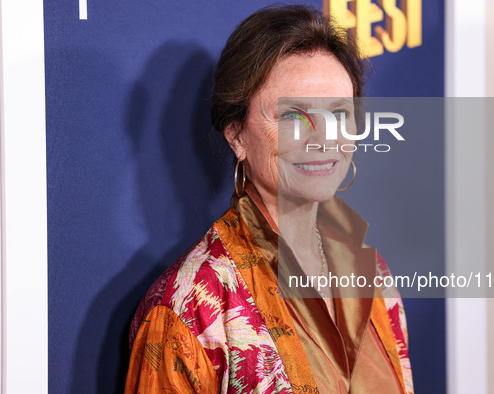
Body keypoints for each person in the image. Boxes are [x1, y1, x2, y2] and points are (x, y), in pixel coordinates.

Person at [125, 5, 413, 393]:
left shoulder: (371, 271)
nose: (324, 139)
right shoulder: (190, 306)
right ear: (237, 135)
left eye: (340, 113)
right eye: (293, 115)